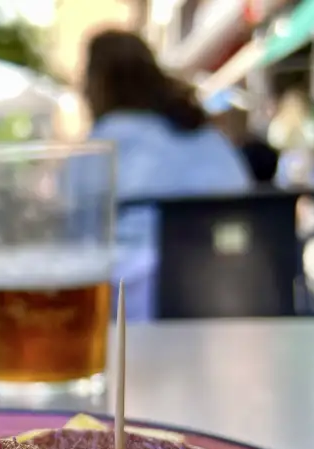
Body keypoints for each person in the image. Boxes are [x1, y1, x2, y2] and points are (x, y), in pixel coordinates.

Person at [84, 29, 253, 321]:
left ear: (96, 83)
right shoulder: (206, 135)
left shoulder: (102, 145)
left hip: (135, 321)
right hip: (234, 299)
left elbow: (71, 232)